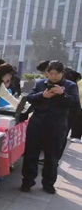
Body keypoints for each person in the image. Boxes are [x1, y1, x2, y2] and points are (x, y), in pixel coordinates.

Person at [21, 61, 80, 194]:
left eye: (56, 74)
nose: (53, 76)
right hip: (38, 122)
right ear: (47, 73)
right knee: (31, 153)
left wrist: (62, 94)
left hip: (57, 124)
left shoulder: (70, 85)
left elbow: (75, 104)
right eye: (50, 73)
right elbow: (29, 98)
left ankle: (48, 183)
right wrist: (42, 95)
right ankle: (27, 181)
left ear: (62, 73)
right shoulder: (40, 83)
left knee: (52, 156)